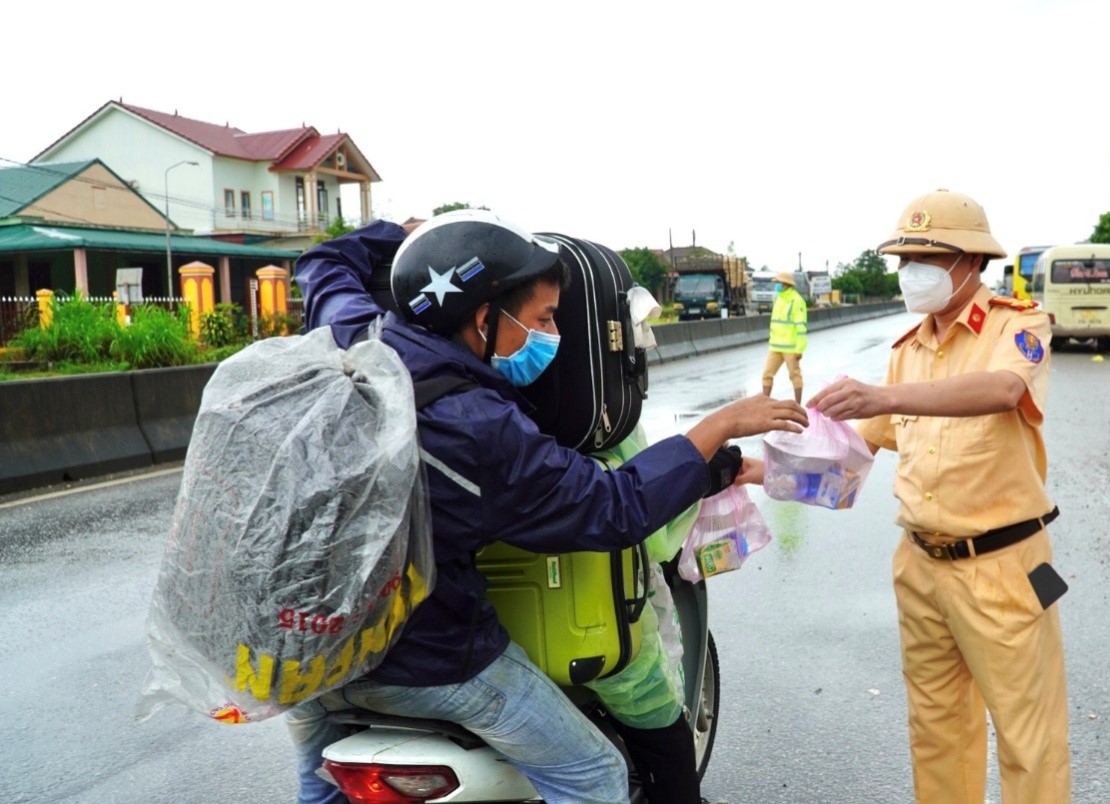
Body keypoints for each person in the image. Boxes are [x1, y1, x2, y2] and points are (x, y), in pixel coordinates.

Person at [286, 209, 807, 804]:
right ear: (485, 318)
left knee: (319, 792)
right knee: (593, 775)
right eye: (544, 318)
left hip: (309, 656)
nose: (552, 336)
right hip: (425, 662)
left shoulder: (356, 337)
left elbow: (324, 265)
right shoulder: (479, 426)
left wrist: (401, 236)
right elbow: (617, 507)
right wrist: (722, 423)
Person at [808, 189, 1070, 804]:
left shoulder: (1017, 324)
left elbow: (1005, 390)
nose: (909, 272)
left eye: (925, 256)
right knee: (936, 732)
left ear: (971, 262)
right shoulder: (908, 351)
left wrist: (885, 398)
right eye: (904, 259)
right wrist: (744, 470)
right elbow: (851, 456)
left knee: (1030, 740)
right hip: (922, 567)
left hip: (1008, 568)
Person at [761, 271, 808, 403]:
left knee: (795, 376)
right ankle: (764, 404)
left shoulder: (797, 301)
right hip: (775, 346)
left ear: (786, 284)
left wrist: (799, 349)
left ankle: (798, 405)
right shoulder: (779, 299)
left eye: (778, 283)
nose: (777, 285)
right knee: (767, 375)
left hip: (790, 347)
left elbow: (801, 328)